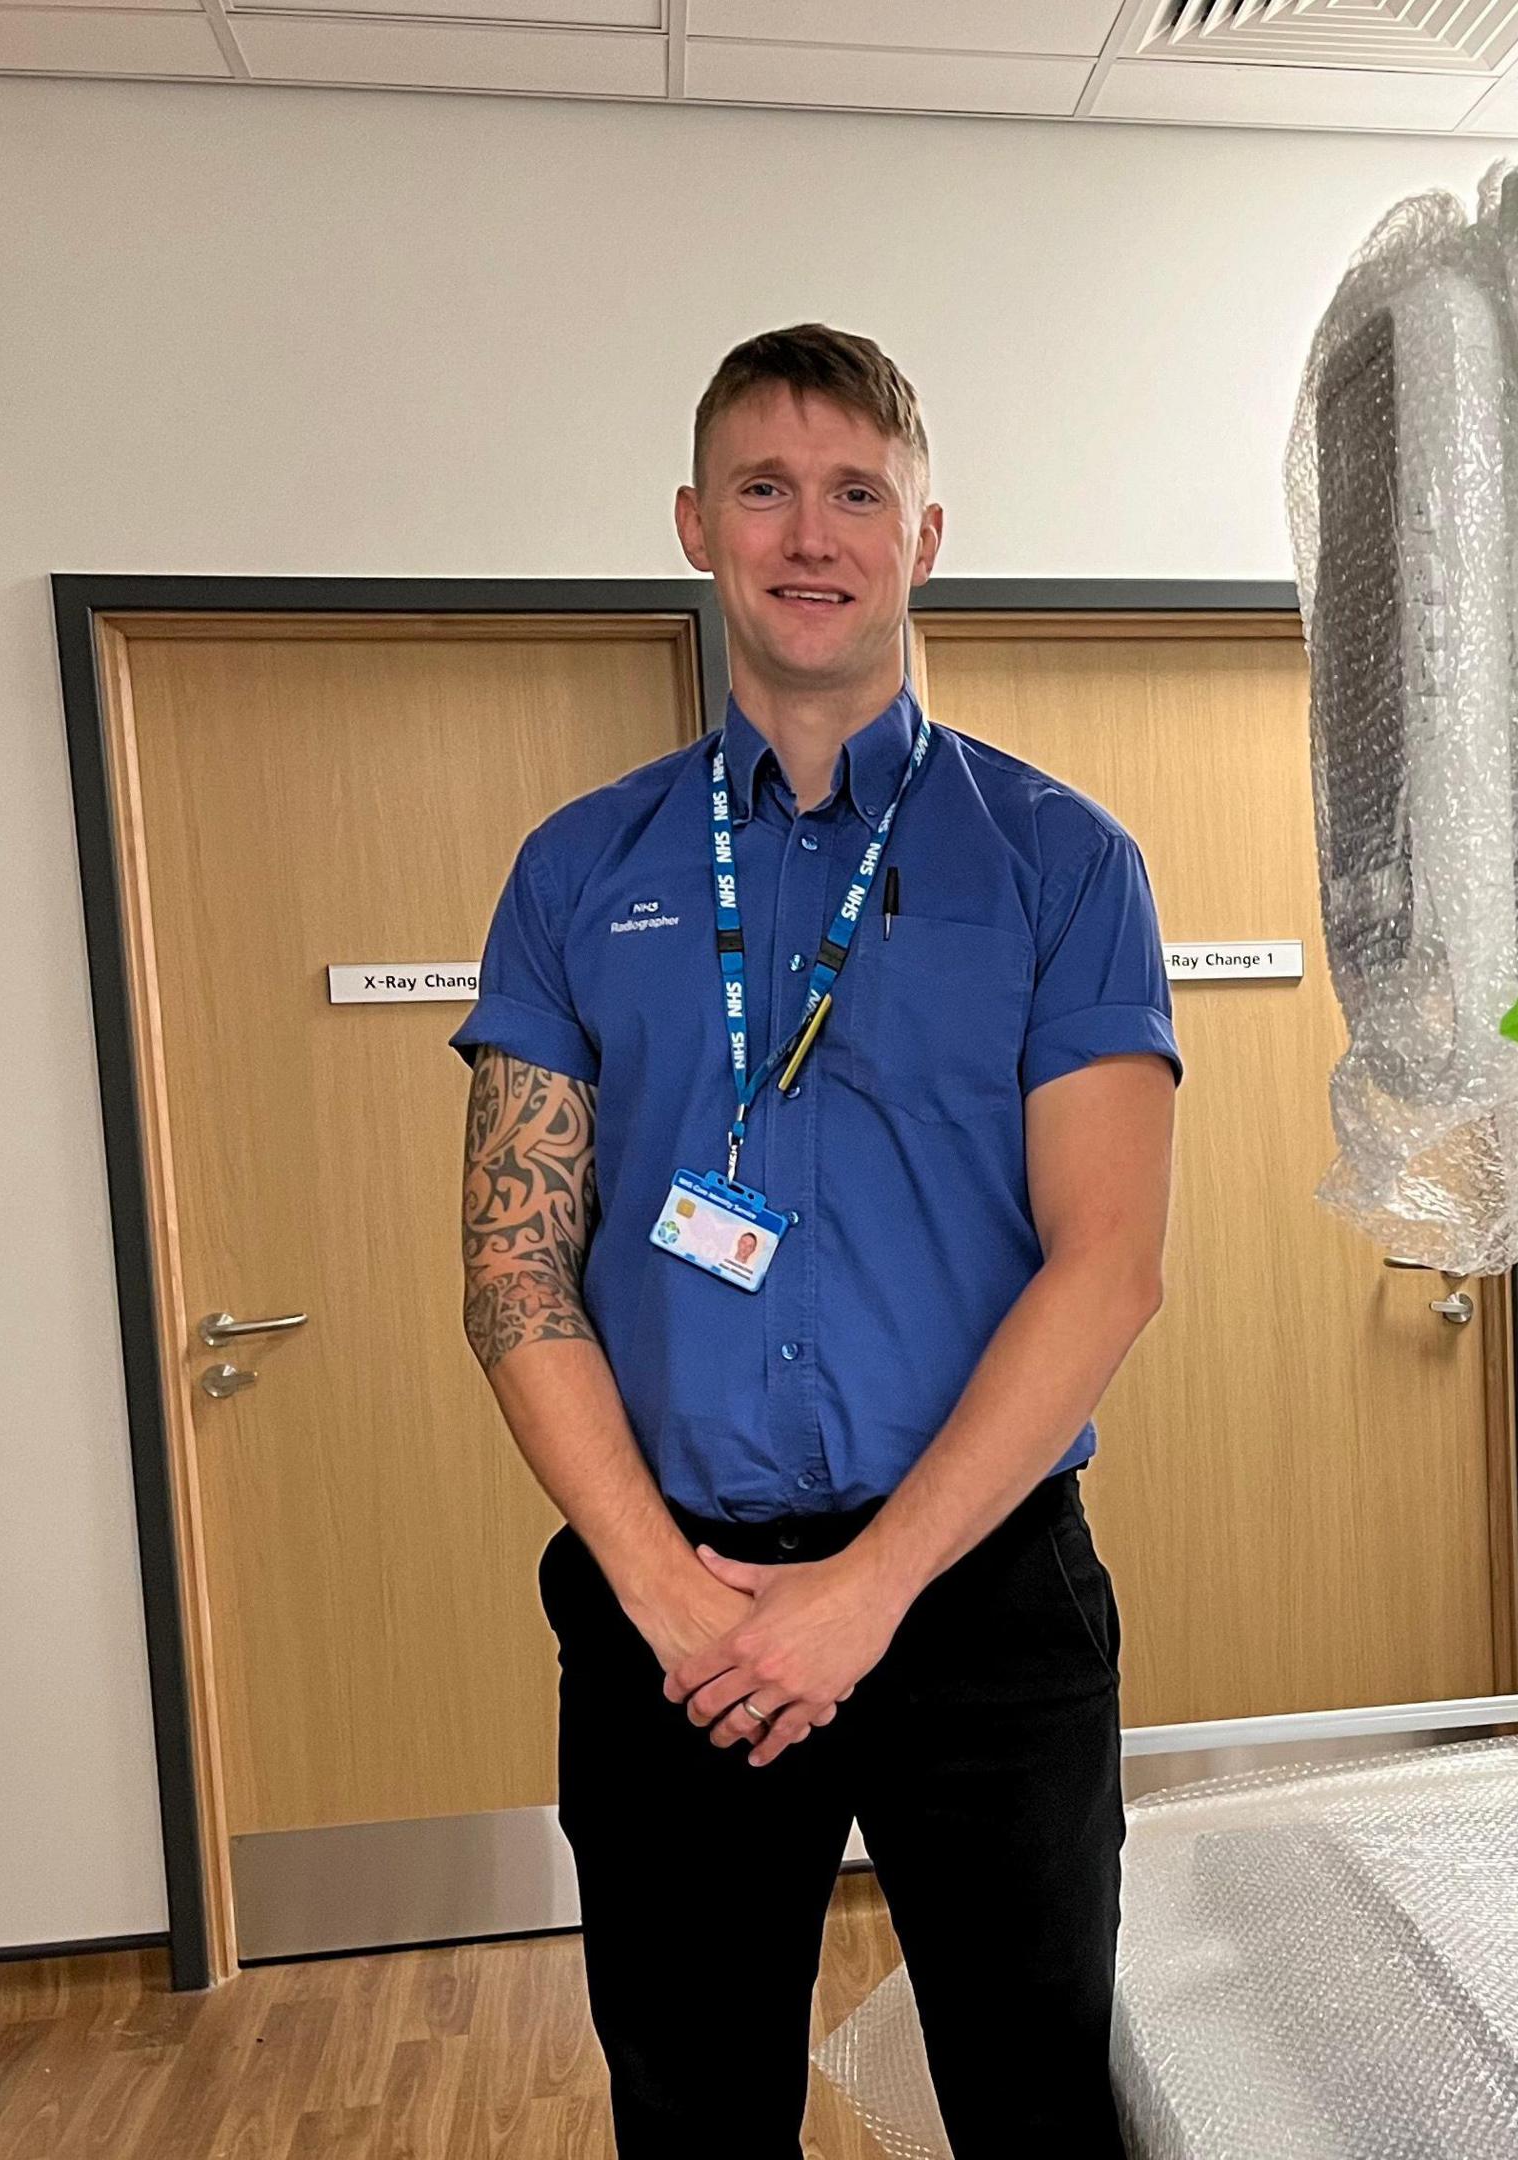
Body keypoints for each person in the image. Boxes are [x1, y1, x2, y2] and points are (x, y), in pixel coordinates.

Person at [451, 323, 1179, 2158]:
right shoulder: (576, 870)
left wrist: (867, 1597)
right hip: (669, 1611)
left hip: (980, 1606)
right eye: (765, 488)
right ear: (696, 524)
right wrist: (671, 1591)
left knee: (1038, 2111)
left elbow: (1109, 1262)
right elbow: (514, 1271)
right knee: (694, 2123)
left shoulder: (1060, 862)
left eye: (858, 490)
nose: (811, 531)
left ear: (925, 534)